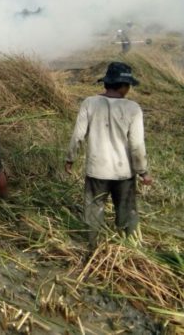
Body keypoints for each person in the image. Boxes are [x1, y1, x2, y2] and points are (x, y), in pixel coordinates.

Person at [65, 62, 153, 250]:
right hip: (124, 172)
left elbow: (78, 135)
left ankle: (92, 247)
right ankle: (129, 248)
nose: (128, 89)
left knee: (94, 209)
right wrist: (143, 172)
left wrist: (70, 158)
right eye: (128, 85)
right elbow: (137, 145)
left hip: (97, 170)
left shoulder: (89, 103)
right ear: (122, 86)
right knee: (126, 211)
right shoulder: (133, 108)